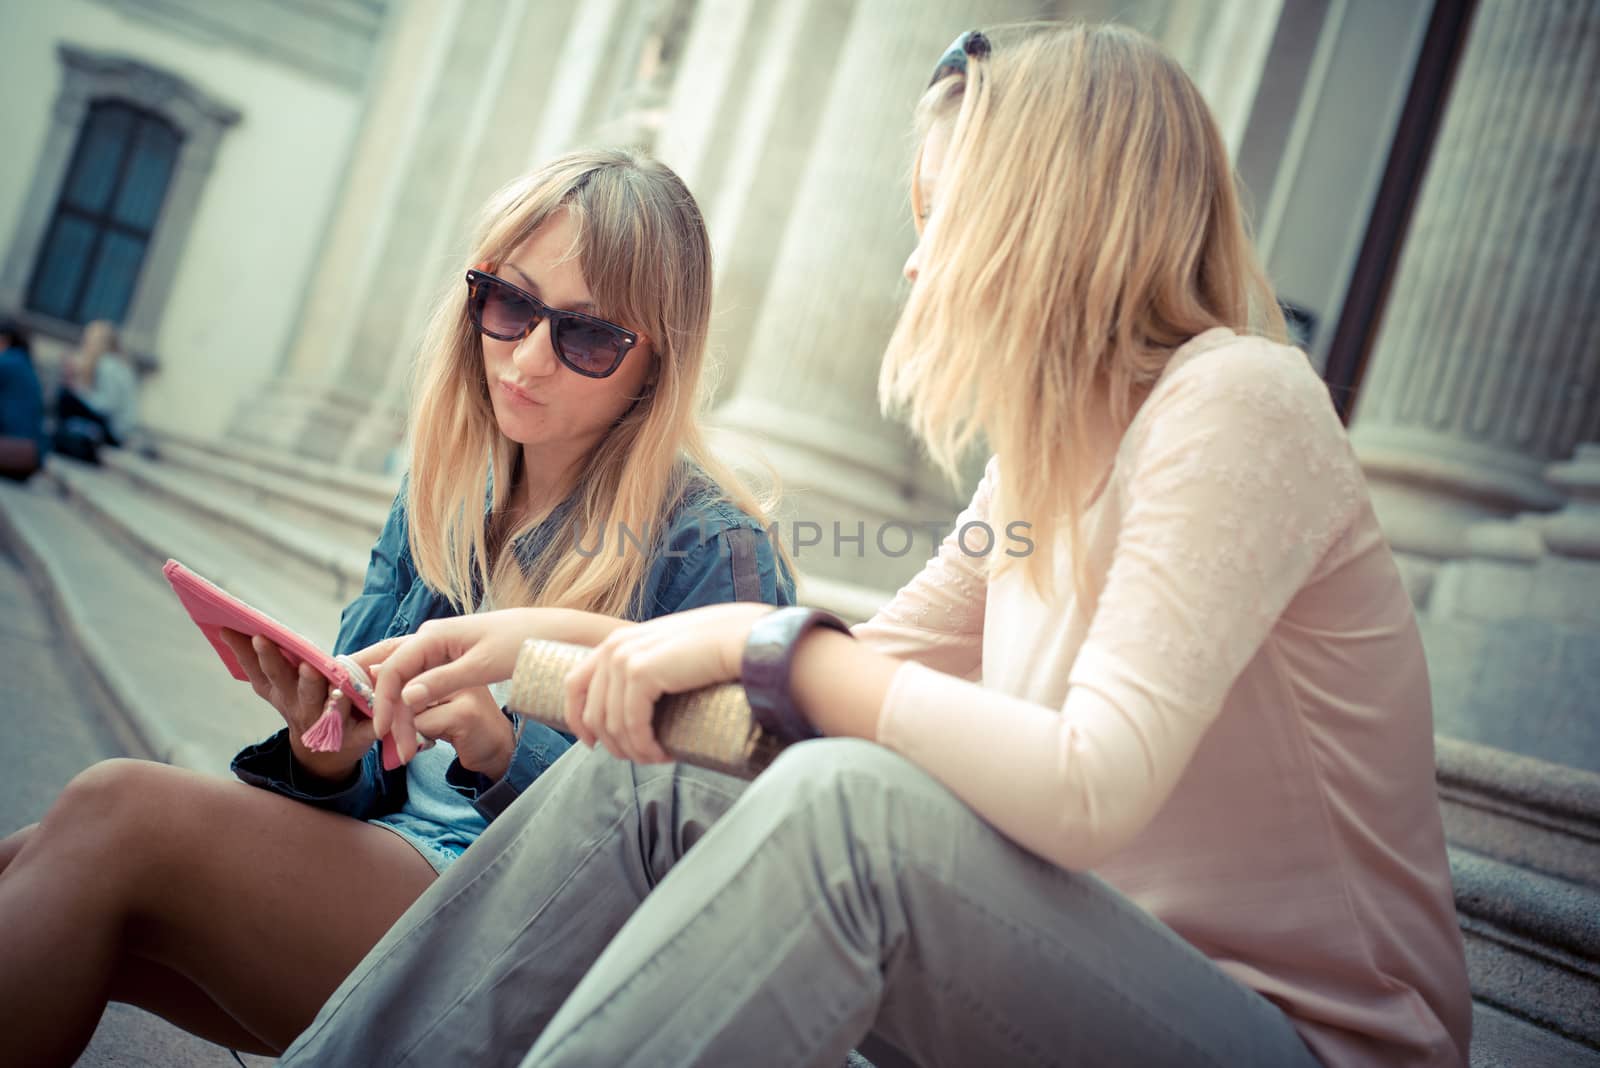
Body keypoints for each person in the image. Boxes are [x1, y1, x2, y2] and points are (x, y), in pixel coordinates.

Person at [277, 23, 1475, 1068]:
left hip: (1292, 1041)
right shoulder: (1043, 466)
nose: (914, 261)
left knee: (848, 806)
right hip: (1057, 974)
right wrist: (517, 656)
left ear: (1049, 219)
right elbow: (779, 707)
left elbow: (1086, 782)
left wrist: (764, 640)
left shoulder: (1239, 400)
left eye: (944, 215)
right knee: (662, 781)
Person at [0, 148, 794, 1066]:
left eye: (586, 336)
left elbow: (722, 828)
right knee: (38, 858)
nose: (528, 358)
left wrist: (505, 753)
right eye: (511, 305)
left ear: (656, 363)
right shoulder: (453, 485)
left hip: (526, 945)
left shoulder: (708, 546)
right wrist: (321, 740)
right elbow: (361, 768)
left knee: (113, 812)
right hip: (388, 867)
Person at [51, 319, 139, 463]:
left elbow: (107, 405)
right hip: (118, 428)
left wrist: (80, 393)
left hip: (115, 431)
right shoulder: (116, 363)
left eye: (88, 339)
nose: (84, 343)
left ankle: (63, 433)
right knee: (69, 396)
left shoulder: (108, 364)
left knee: (66, 397)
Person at [0, 318, 47, 481]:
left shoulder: (8, 362)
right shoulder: (23, 363)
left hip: (15, 453)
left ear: (3, 340)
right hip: (28, 457)